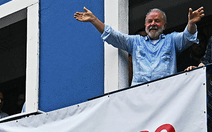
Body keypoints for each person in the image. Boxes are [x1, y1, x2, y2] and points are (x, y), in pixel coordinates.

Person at [74, 6, 204, 85]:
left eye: (157, 21)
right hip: (140, 96)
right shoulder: (136, 42)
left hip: (166, 94)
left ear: (164, 26)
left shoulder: (172, 40)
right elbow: (113, 36)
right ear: (145, 25)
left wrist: (191, 23)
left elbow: (188, 36)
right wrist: (94, 20)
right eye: (150, 21)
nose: (153, 23)